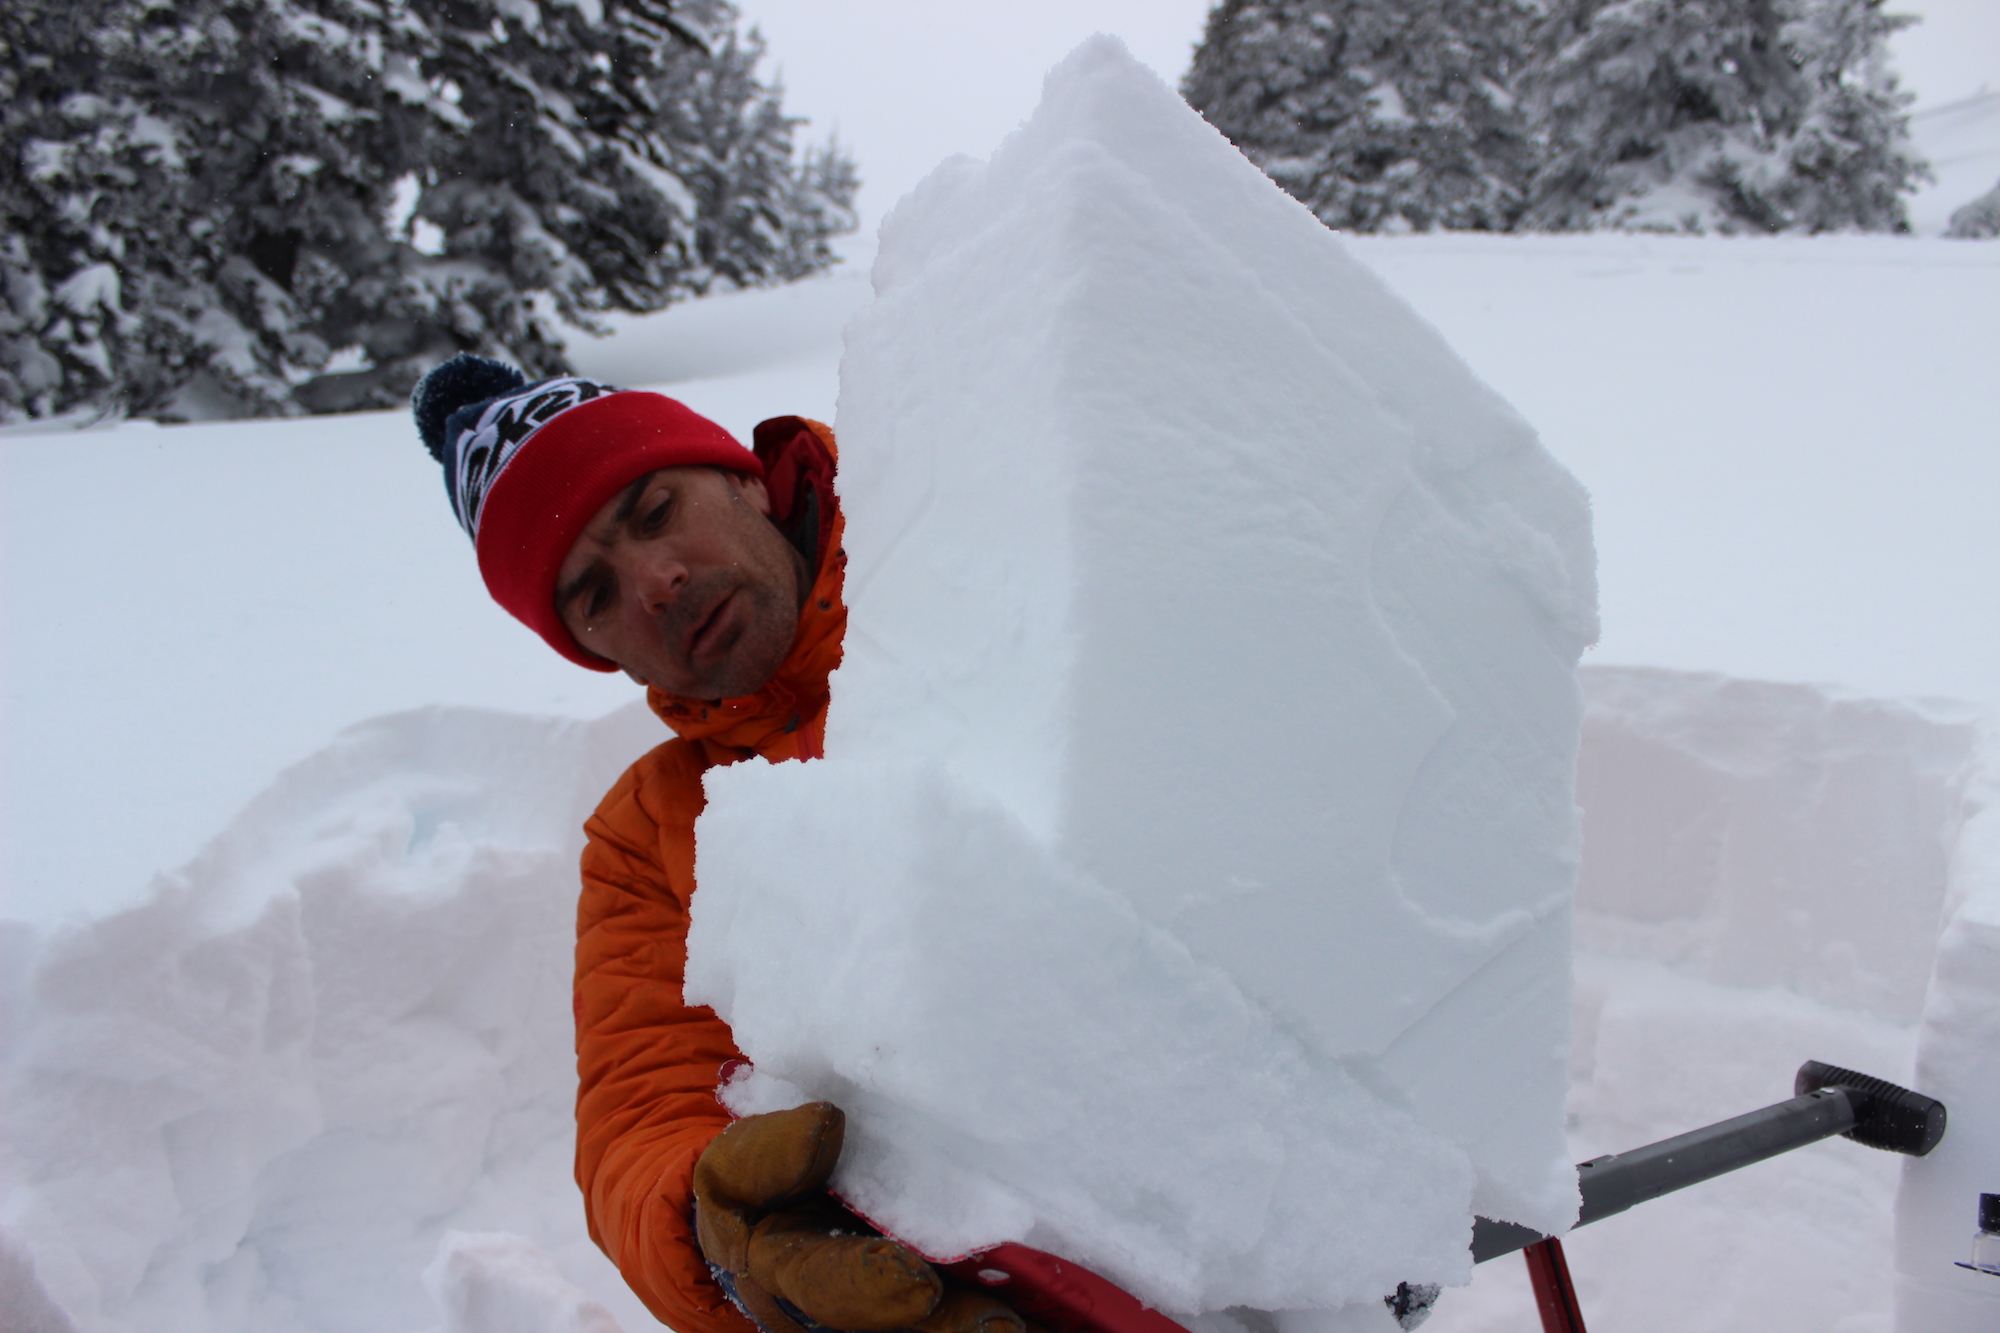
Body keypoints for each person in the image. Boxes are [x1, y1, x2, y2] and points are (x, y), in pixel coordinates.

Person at [411, 356, 1021, 1333]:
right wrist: (720, 1232)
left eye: (654, 511)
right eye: (593, 593)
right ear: (593, 647)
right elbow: (639, 1104)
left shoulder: (992, 561)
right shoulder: (650, 830)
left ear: (739, 472)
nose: (656, 581)